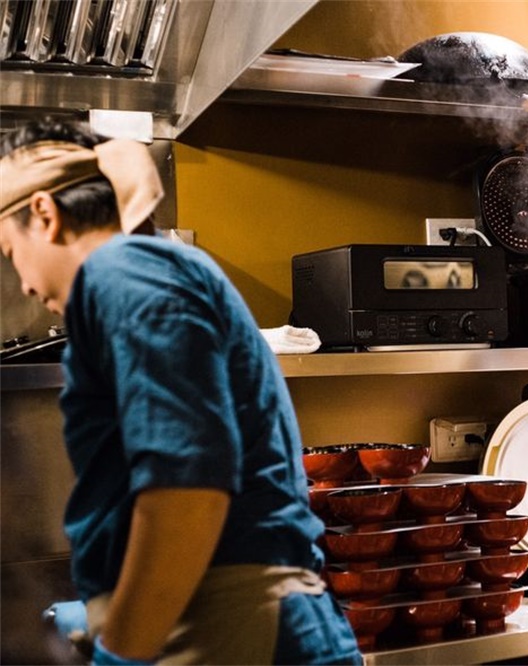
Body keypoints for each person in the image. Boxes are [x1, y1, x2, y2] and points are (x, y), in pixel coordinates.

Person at [0, 118, 362, 665]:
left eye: (10, 252)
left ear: (46, 215)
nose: (24, 283)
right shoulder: (143, 276)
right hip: (218, 615)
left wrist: (121, 651)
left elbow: (185, 493)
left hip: (227, 625)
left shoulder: (123, 272)